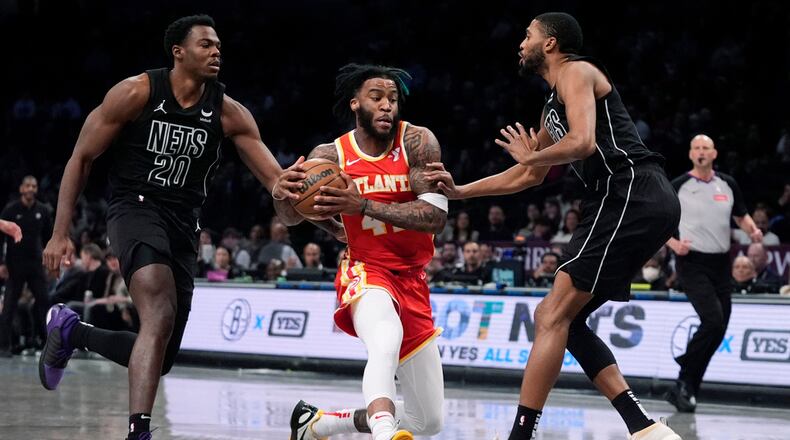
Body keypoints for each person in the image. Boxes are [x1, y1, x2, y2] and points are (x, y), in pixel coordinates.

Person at [37, 15, 339, 440]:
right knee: (158, 312)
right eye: (206, 45)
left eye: (218, 46)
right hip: (134, 208)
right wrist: (59, 232)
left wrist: (322, 215)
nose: (216, 52)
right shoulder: (136, 92)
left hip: (183, 225)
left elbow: (278, 182)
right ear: (178, 52)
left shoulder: (230, 112)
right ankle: (139, 432)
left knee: (160, 356)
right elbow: (81, 158)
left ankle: (72, 330)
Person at [424, 12, 681, 440]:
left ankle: (521, 435)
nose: (521, 43)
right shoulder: (550, 107)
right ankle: (644, 428)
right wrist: (460, 191)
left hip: (628, 190)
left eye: (528, 35)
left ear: (550, 43)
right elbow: (529, 175)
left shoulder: (576, 72)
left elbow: (582, 142)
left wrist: (531, 155)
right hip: (628, 200)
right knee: (566, 321)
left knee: (550, 314)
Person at [288, 63, 447, 440]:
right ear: (355, 103)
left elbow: (436, 216)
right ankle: (384, 432)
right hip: (366, 269)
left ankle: (320, 424)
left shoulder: (417, 142)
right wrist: (284, 194)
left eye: (393, 99)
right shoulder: (331, 155)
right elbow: (293, 213)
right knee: (385, 340)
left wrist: (363, 206)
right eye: (377, 97)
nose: (387, 105)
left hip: (413, 279)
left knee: (428, 422)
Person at [665, 133, 763, 413]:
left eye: (705, 148)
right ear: (690, 154)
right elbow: (657, 220)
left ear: (714, 153)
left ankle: (685, 387)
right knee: (712, 320)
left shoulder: (727, 184)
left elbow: (741, 215)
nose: (701, 152)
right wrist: (673, 243)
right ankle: (686, 368)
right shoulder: (679, 185)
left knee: (719, 328)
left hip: (721, 263)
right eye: (696, 148)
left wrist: (752, 230)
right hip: (692, 263)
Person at [0, 176, 52, 356]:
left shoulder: (43, 210)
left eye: (34, 186)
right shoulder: (10, 210)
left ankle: (48, 344)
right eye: (28, 186)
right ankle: (4, 346)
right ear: (21, 189)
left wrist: (50, 262)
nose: (31, 189)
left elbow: (48, 238)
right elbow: (1, 238)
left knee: (44, 303)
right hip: (14, 265)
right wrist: (1, 263)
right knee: (9, 306)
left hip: (36, 264)